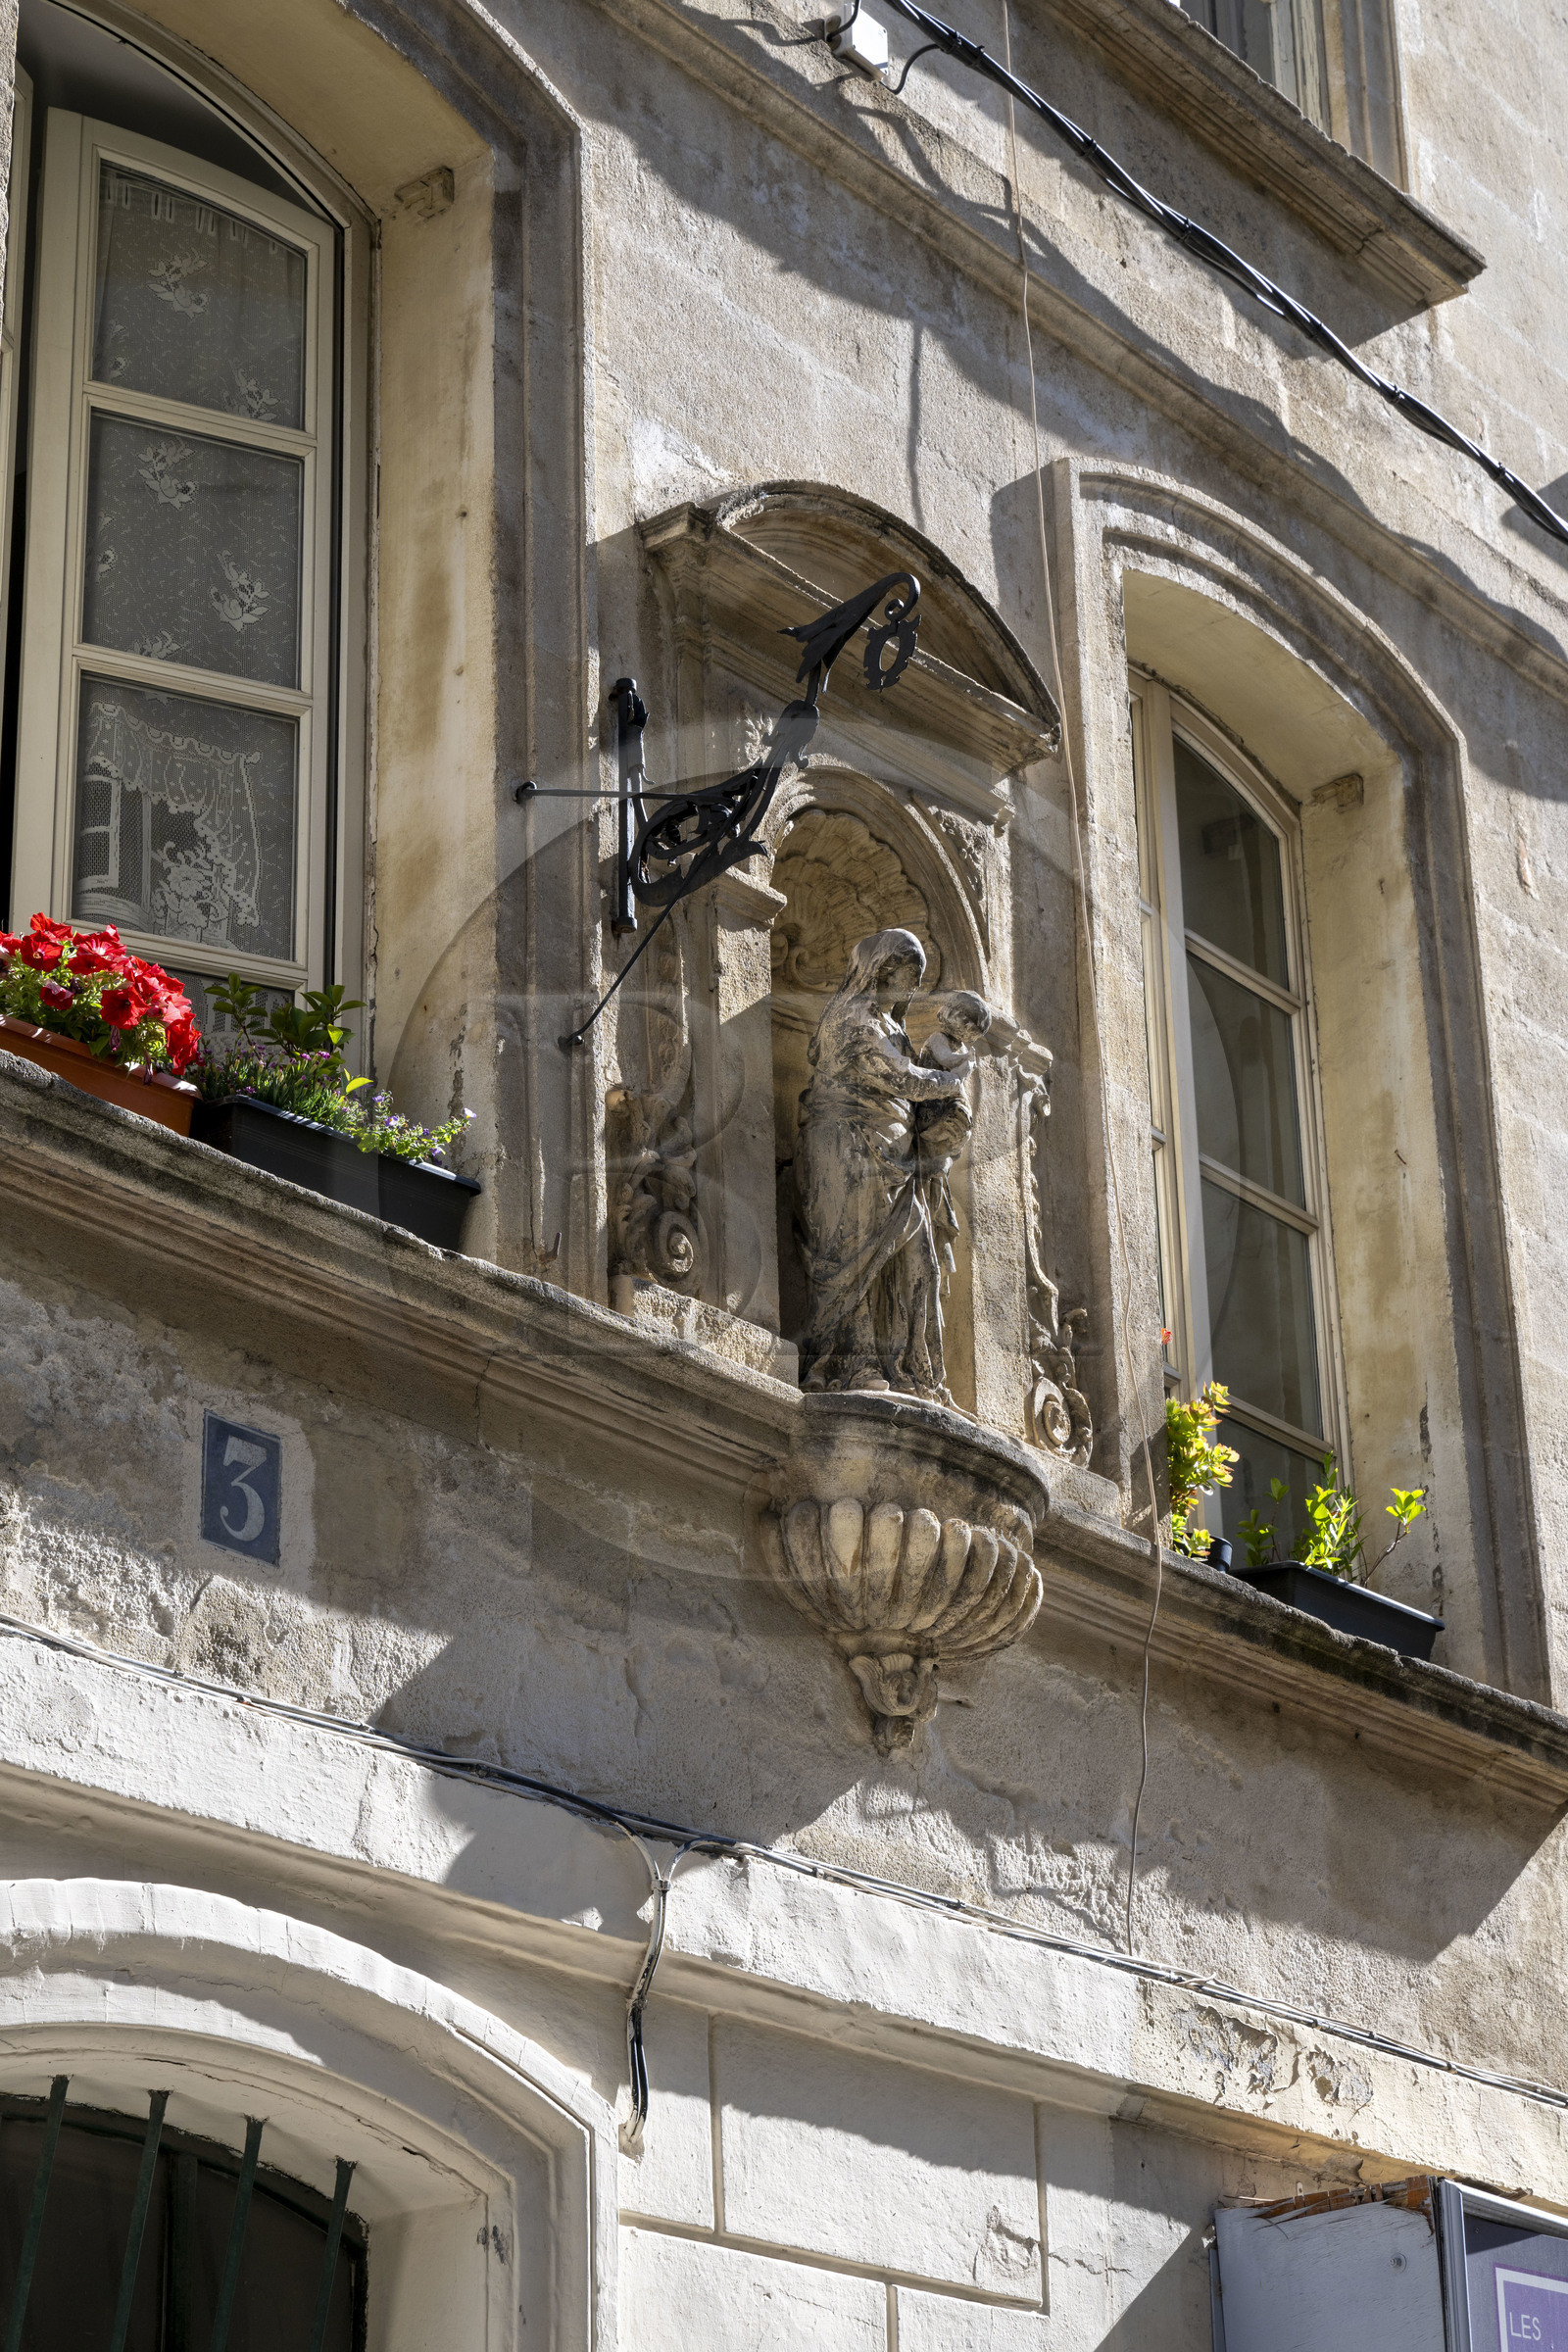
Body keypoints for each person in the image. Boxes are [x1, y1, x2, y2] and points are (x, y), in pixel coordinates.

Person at [795, 929, 968, 1396]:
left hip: (895, 1161)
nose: (908, 989)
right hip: (849, 1152)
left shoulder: (893, 1029)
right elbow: (903, 1079)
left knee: (921, 1264)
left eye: (914, 979)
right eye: (902, 976)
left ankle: (914, 1373)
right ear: (877, 972)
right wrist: (952, 1080)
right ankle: (850, 1366)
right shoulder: (852, 1019)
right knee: (855, 1258)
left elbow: (913, 1095)